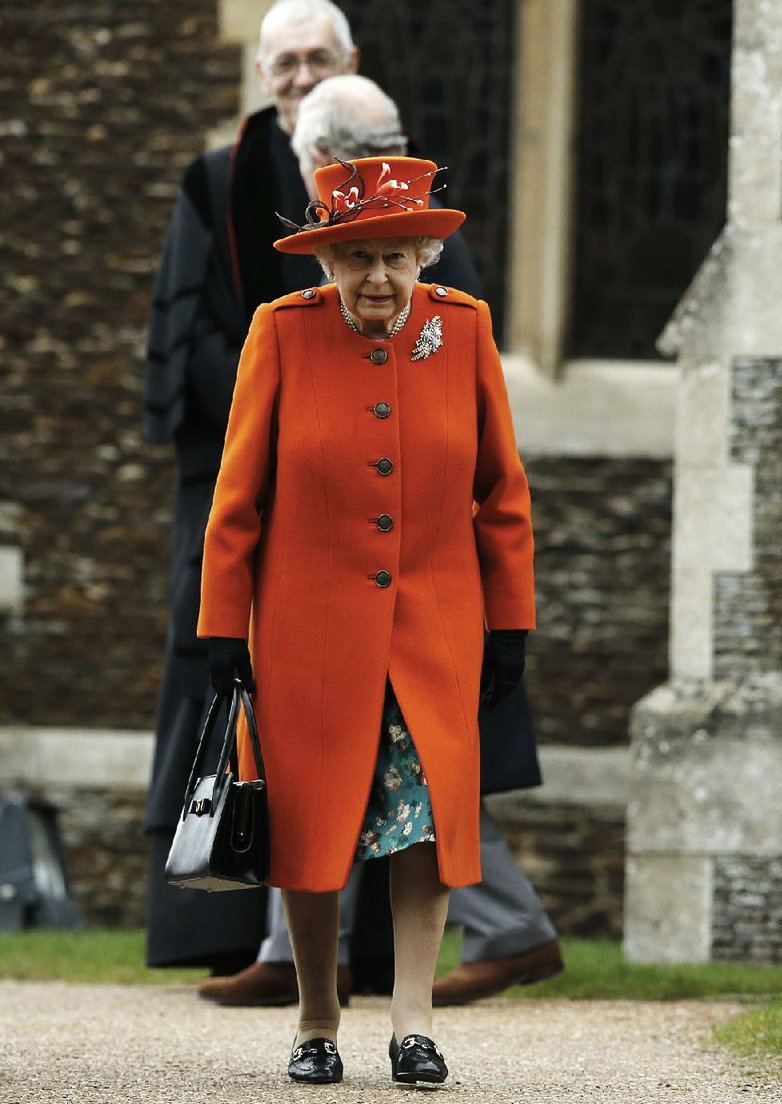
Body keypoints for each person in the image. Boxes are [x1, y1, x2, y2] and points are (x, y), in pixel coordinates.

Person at [195, 73, 561, 1010]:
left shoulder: (465, 334)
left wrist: (509, 625)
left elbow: (503, 494)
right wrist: (221, 634)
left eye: (397, 256)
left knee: (425, 830)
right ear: (327, 265)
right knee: (312, 838)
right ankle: (317, 1013)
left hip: (432, 633)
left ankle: (411, 1019)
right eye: (356, 258)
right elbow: (236, 502)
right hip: (307, 637)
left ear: (425, 255)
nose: (378, 278)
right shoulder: (280, 337)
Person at [143, 1, 480, 974]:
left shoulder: (402, 197)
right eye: (283, 60)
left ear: (350, 63)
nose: (298, 74)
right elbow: (193, 331)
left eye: (316, 58)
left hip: (392, 513)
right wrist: (280, 419)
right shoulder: (221, 180)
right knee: (256, 721)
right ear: (259, 73)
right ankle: (230, 929)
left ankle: (386, 959)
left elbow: (447, 339)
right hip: (245, 474)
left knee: (407, 736)